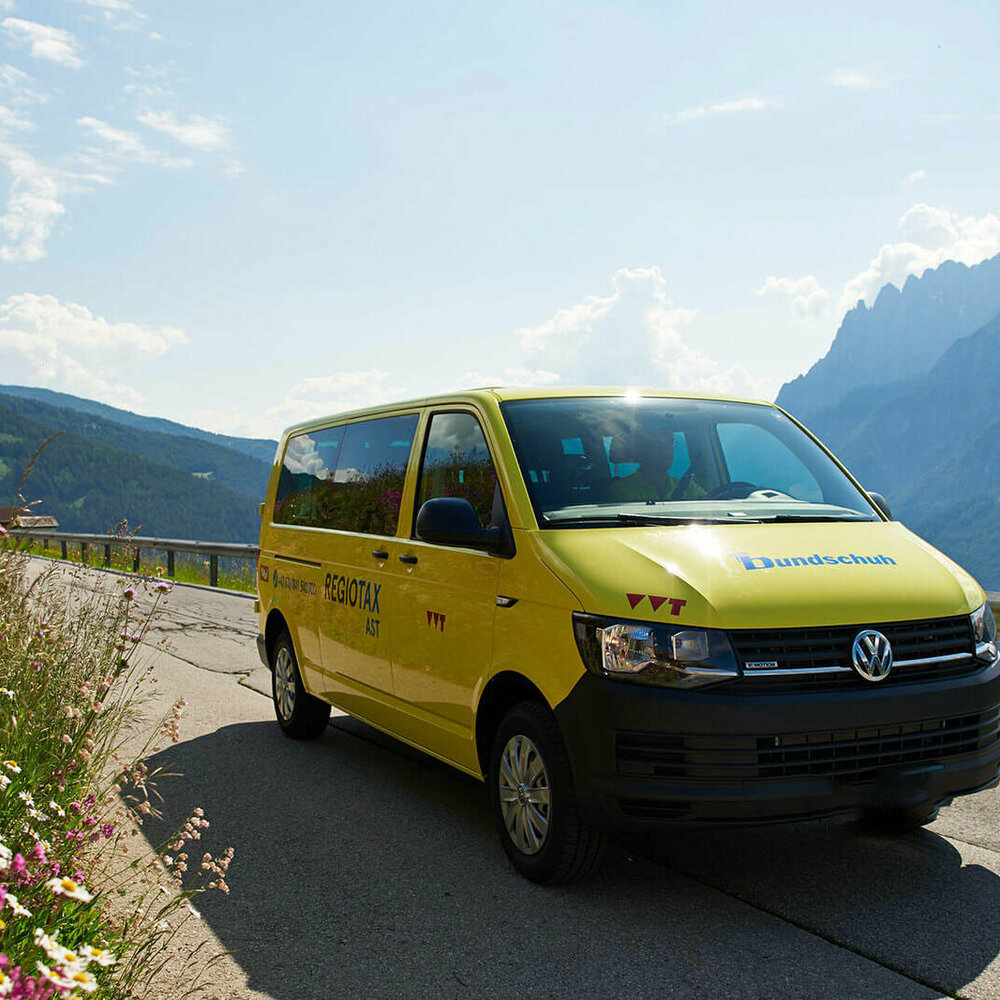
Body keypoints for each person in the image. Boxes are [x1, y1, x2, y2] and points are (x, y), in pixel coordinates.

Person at [607, 428, 705, 502]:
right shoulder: (622, 490)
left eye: (668, 444)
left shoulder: (689, 488)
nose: (665, 451)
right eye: (658, 445)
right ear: (643, 450)